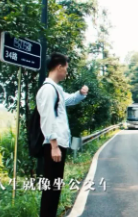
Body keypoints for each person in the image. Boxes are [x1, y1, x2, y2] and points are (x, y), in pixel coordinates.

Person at [37, 53, 88, 217]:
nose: (66, 72)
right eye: (65, 68)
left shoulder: (56, 89)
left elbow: (70, 99)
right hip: (54, 146)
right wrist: (54, 145)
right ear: (59, 67)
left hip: (59, 145)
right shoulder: (47, 89)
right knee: (51, 190)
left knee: (54, 189)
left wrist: (81, 93)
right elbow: (46, 118)